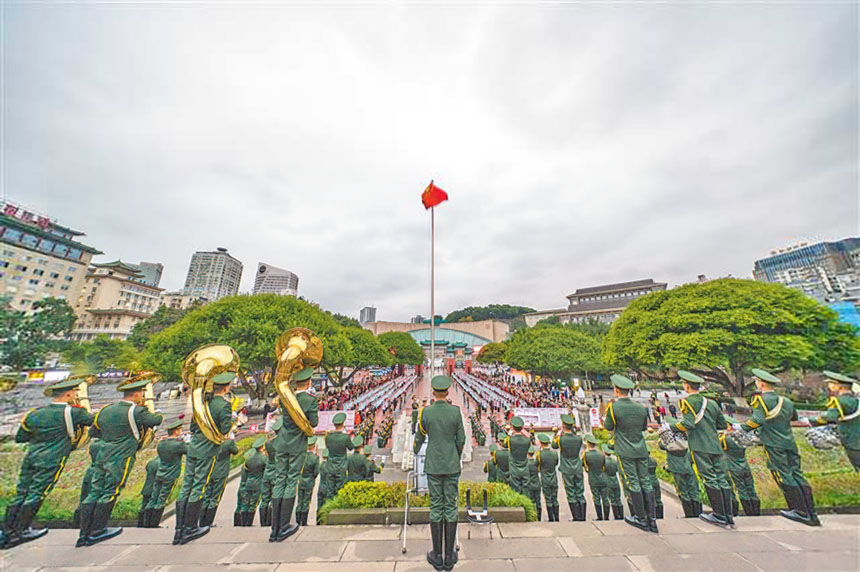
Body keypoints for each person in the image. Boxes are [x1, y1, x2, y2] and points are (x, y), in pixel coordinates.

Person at [1, 378, 95, 549]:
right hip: (52, 459)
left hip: (32, 457)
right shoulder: (74, 413)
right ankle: (22, 531)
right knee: (37, 493)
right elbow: (94, 422)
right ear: (68, 394)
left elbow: (21, 438)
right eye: (74, 392)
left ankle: (7, 531)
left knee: (21, 492)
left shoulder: (35, 413)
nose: (76, 395)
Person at [737, 368, 819, 526]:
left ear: (760, 384)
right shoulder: (786, 401)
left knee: (783, 475)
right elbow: (794, 417)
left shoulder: (760, 400)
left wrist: (741, 428)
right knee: (797, 474)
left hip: (773, 443)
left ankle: (799, 511)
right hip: (789, 442)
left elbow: (757, 420)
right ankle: (811, 512)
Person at [414, 375, 465, 571]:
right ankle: (450, 556)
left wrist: (416, 450)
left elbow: (419, 437)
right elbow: (461, 439)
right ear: (448, 392)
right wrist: (455, 454)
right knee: (450, 505)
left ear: (434, 392)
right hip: (451, 465)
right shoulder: (456, 412)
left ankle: (437, 555)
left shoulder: (426, 412)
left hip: (433, 464)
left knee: (436, 506)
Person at [673, 370, 732, 528]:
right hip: (715, 445)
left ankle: (719, 515)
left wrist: (671, 426)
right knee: (722, 479)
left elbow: (688, 424)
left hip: (700, 445)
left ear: (686, 386)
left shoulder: (687, 402)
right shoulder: (711, 403)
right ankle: (728, 516)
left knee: (709, 479)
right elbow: (721, 425)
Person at [270, 366, 319, 542]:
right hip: (297, 444)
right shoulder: (310, 399)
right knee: (291, 481)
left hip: (282, 442)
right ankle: (283, 527)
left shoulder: (285, 398)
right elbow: (313, 422)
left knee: (279, 480)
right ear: (308, 382)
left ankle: (274, 528)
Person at [603, 374, 655, 533]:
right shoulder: (640, 407)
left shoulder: (614, 407)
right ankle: (651, 519)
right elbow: (644, 427)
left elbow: (608, 426)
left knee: (632, 481)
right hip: (640, 448)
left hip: (625, 449)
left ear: (616, 390)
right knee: (645, 481)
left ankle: (640, 517)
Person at [811, 371, 859, 471]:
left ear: (839, 386)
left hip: (851, 440)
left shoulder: (838, 401)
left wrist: (811, 420)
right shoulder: (857, 400)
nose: (829, 386)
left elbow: (829, 418)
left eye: (831, 383)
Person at [143, 419, 186, 528]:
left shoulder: (161, 444)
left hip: (160, 473)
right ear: (176, 431)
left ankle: (147, 523)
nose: (181, 431)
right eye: (180, 429)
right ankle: (154, 524)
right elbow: (189, 451)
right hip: (171, 474)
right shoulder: (179, 444)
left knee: (154, 497)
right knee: (162, 499)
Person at [659, 417, 700, 518]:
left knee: (683, 491)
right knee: (693, 490)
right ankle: (698, 513)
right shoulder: (686, 439)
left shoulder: (669, 442)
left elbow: (661, 444)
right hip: (688, 468)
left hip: (677, 469)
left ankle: (689, 514)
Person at [720, 418, 760, 516]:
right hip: (744, 465)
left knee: (742, 490)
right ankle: (755, 513)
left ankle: (748, 512)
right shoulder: (743, 437)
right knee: (751, 489)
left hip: (734, 467)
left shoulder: (727, 438)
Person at [553, 414, 585, 521]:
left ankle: (576, 517)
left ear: (563, 425)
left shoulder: (561, 439)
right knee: (580, 492)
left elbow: (554, 445)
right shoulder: (578, 439)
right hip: (577, 466)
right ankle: (582, 516)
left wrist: (557, 434)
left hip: (567, 468)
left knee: (571, 492)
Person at [201, 436, 239, 528]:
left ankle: (202, 522)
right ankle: (209, 522)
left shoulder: (210, 441)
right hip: (221, 472)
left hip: (210, 472)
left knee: (206, 497)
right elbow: (235, 451)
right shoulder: (228, 443)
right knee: (215, 498)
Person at [235, 436, 267, 526]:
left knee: (245, 503)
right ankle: (249, 523)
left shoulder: (249, 459)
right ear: (262, 446)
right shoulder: (264, 459)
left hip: (249, 483)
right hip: (258, 484)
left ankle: (243, 523)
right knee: (253, 503)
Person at [72, 439, 103, 529]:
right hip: (98, 472)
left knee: (83, 499)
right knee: (92, 499)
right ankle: (88, 525)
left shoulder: (94, 444)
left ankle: (77, 524)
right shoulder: (103, 445)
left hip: (90, 471)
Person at [258, 418, 282, 527]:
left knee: (264, 499)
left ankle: (263, 522)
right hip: (277, 472)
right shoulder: (281, 443)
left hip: (268, 472)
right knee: (274, 497)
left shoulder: (268, 443)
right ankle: (273, 520)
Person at [582, 434, 609, 520]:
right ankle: (607, 517)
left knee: (596, 498)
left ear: (588, 444)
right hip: (603, 478)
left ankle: (600, 517)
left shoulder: (586, 455)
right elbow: (604, 466)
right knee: (605, 498)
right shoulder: (601, 454)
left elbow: (583, 465)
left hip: (593, 479)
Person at [295, 436, 319, 526]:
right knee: (306, 501)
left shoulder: (301, 456)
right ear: (314, 446)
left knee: (300, 501)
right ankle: (303, 522)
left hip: (301, 481)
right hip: (309, 481)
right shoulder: (315, 458)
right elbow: (316, 472)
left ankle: (298, 521)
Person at [505, 416, 531, 496]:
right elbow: (528, 437)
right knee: (526, 489)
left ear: (512, 427)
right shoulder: (527, 441)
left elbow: (504, 444)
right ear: (522, 427)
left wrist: (510, 433)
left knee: (515, 489)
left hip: (514, 467)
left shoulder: (510, 440)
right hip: (524, 466)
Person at [536, 434, 559, 522]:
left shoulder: (540, 454)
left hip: (545, 478)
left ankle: (551, 518)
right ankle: (556, 518)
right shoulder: (554, 453)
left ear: (541, 443)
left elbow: (536, 464)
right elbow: (556, 463)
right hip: (554, 478)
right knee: (555, 498)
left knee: (548, 498)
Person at [602, 445, 624, 520]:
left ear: (604, 452)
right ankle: (621, 515)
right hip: (615, 480)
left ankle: (616, 516)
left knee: (612, 499)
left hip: (608, 480)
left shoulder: (604, 461)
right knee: (618, 499)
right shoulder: (615, 460)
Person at [139, 456, 160, 528]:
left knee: (143, 505)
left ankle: (140, 523)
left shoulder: (151, 462)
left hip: (146, 487)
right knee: (151, 504)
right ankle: (148, 523)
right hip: (153, 488)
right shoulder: (159, 463)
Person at [526, 446, 542, 521]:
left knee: (531, 501)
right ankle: (539, 517)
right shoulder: (536, 463)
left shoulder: (526, 463)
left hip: (529, 484)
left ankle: (532, 517)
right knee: (538, 501)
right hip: (537, 483)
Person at [316, 449, 332, 524]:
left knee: (319, 504)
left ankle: (318, 520)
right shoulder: (329, 466)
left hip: (321, 486)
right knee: (326, 504)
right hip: (327, 486)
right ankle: (324, 520)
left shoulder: (321, 465)